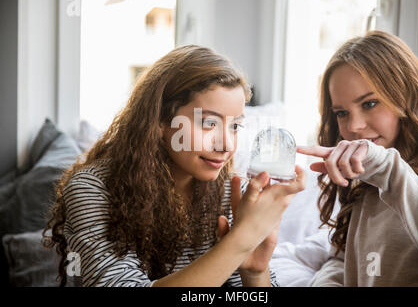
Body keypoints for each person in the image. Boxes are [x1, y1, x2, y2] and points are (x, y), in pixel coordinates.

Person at [43, 45, 305, 287]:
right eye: (209, 123)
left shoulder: (231, 192)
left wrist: (255, 273)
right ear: (160, 122)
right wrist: (240, 240)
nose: (226, 144)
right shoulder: (92, 188)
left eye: (235, 126)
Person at [297, 30, 418, 286]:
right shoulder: (365, 172)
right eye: (342, 112)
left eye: (369, 104)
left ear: (405, 93)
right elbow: (343, 258)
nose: (354, 126)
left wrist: (390, 172)